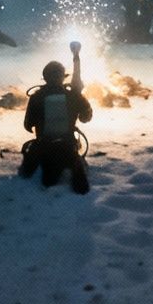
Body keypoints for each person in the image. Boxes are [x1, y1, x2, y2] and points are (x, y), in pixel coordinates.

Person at [20, 41, 93, 193]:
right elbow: (86, 118)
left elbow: (28, 125)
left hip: (44, 146)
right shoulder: (73, 96)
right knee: (72, 169)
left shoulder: (36, 97)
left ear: (45, 78)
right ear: (62, 77)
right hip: (68, 145)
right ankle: (74, 166)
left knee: (30, 173)